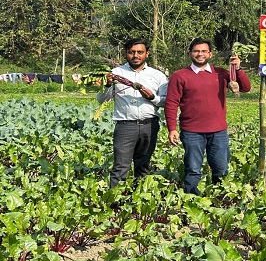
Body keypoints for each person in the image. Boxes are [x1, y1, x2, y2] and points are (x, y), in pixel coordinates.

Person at [165, 38, 251, 195]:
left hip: (218, 131)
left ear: (210, 54)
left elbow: (245, 88)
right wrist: (172, 128)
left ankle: (218, 197)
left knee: (221, 168)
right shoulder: (180, 76)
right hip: (192, 132)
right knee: (192, 169)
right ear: (190, 53)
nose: (200, 54)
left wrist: (237, 69)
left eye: (204, 51)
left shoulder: (222, 74)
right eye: (196, 51)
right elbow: (171, 103)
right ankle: (191, 199)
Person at [97, 38, 168, 188]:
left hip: (149, 126)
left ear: (146, 54)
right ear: (126, 54)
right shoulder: (115, 73)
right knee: (120, 167)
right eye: (132, 52)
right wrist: (108, 85)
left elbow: (165, 101)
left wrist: (152, 97)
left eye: (140, 52)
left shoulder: (158, 76)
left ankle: (139, 200)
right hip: (125, 126)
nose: (136, 55)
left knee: (143, 166)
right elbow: (102, 99)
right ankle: (115, 203)